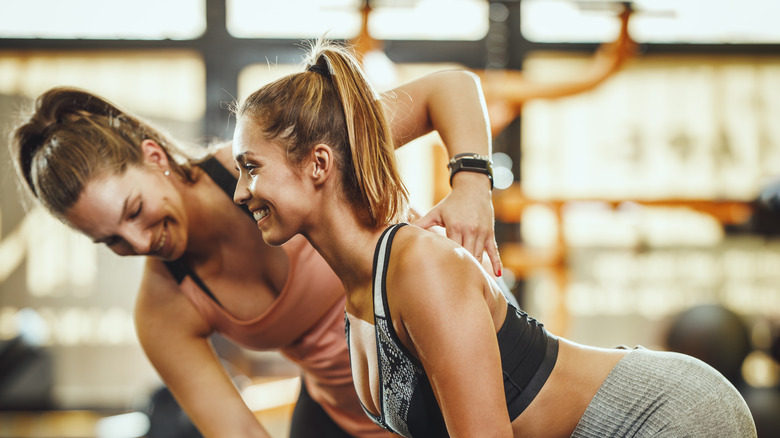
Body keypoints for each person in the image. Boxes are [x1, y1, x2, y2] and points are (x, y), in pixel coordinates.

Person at [231, 39, 757, 437]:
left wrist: (472, 183)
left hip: (662, 415)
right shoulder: (358, 286)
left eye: (250, 167)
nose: (239, 192)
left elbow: (452, 87)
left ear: (318, 164)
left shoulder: (417, 266)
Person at [9, 68, 502, 437]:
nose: (138, 243)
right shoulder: (163, 309)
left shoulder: (279, 158)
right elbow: (239, 432)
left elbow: (450, 90)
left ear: (153, 157)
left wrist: (473, 187)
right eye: (111, 240)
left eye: (135, 210)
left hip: (452, 368)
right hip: (346, 416)